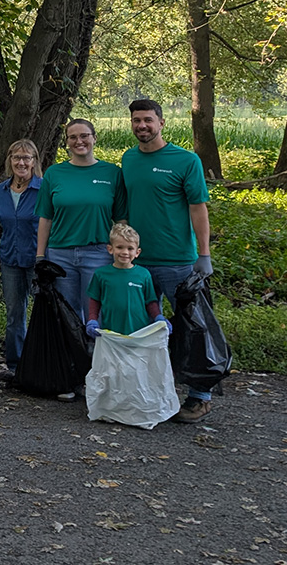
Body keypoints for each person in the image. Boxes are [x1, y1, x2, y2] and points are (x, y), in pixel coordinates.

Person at [122, 98, 214, 423]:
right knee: (145, 329)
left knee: (193, 328)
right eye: (136, 120)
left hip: (179, 263)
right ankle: (152, 390)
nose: (142, 126)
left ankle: (200, 395)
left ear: (161, 122)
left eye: (148, 120)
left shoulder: (185, 161)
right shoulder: (129, 159)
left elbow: (198, 208)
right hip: (138, 264)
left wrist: (203, 255)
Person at [35, 119, 126, 324]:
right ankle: (71, 356)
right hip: (60, 255)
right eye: (73, 137)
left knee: (96, 314)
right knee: (66, 315)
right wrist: (41, 256)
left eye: (84, 135)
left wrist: (123, 252)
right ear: (66, 142)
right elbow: (46, 218)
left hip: (98, 254)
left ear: (94, 138)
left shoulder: (112, 173)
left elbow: (121, 219)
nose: (79, 141)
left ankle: (96, 355)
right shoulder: (54, 174)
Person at [0, 139, 43, 376]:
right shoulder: (1, 190)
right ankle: (15, 366)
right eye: (16, 157)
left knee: (42, 313)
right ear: (10, 161)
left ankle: (40, 364)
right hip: (10, 260)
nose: (21, 162)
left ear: (34, 162)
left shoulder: (43, 189)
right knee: (15, 314)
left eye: (26, 158)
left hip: (37, 260)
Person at [85, 223, 168, 338]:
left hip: (139, 333)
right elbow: (95, 299)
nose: (125, 252)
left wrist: (158, 317)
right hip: (111, 333)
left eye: (130, 248)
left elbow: (150, 301)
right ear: (110, 249)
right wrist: (92, 319)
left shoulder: (144, 274)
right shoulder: (101, 274)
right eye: (119, 247)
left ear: (137, 252)